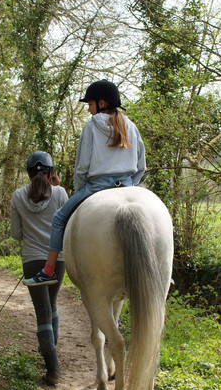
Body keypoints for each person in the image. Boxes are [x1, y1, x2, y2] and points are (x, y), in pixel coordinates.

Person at [24, 79, 146, 287]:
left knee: (59, 218)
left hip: (96, 186)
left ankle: (49, 271)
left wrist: (81, 191)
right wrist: (130, 185)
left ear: (101, 103)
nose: (89, 110)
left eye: (90, 104)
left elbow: (81, 167)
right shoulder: (131, 126)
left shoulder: (91, 126)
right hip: (128, 185)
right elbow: (141, 164)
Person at [11, 151, 68, 385]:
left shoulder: (17, 196)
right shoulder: (61, 193)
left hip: (32, 260)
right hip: (58, 259)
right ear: (50, 172)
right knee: (51, 305)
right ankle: (51, 354)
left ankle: (52, 368)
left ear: (28, 173)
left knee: (42, 312)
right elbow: (68, 223)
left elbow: (16, 234)